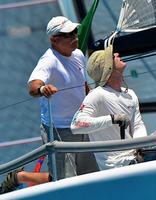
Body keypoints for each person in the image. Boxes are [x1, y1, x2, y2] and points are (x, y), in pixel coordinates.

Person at [27, 16, 97, 180]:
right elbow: (32, 86)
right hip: (59, 131)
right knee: (66, 180)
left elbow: (83, 85)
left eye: (75, 32)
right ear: (54, 40)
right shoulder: (49, 61)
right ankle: (22, 176)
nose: (75, 37)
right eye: (69, 34)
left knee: (92, 177)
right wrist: (43, 88)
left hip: (82, 125)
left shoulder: (78, 54)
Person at [71, 45, 148, 170]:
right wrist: (112, 119)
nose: (117, 54)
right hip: (115, 166)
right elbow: (76, 125)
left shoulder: (130, 94)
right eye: (113, 56)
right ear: (109, 68)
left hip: (135, 158)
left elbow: (137, 125)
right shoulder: (97, 95)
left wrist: (141, 148)